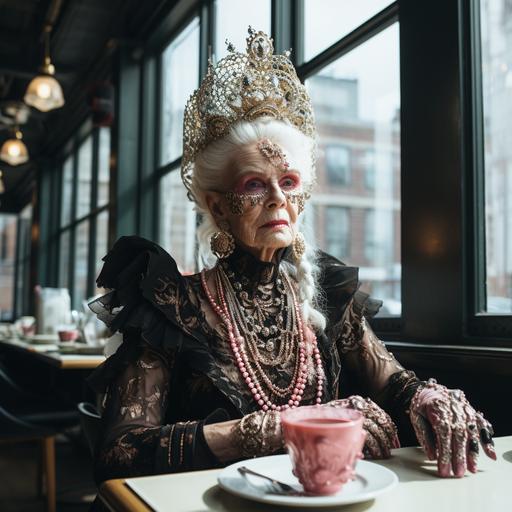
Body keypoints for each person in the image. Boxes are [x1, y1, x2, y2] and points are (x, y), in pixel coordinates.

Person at [88, 28, 495, 485]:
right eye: (254, 184)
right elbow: (119, 452)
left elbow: (393, 382)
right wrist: (280, 427)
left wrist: (426, 398)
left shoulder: (328, 295)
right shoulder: (172, 306)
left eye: (289, 181)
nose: (278, 198)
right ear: (218, 205)